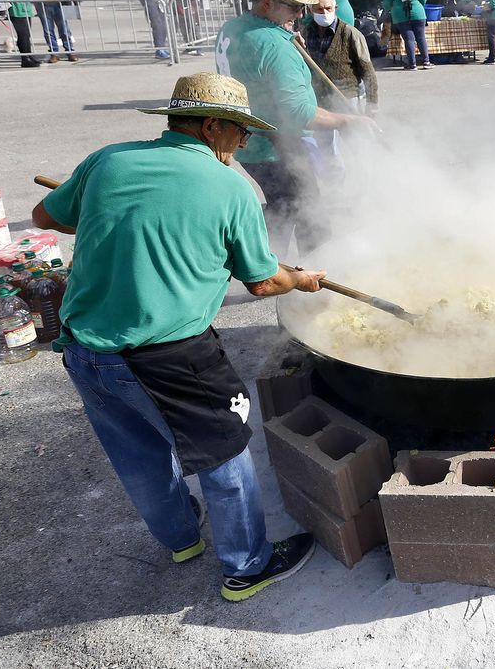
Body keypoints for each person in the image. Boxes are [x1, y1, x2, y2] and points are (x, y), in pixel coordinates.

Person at [31, 72, 325, 602]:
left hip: (84, 348)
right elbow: (263, 280)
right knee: (225, 453)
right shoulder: (230, 187)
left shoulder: (110, 160)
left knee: (138, 451)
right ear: (213, 127)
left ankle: (181, 539)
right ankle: (247, 567)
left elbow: (46, 216)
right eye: (241, 133)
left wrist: (126, 220)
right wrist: (300, 280)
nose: (244, 144)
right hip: (169, 355)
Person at [216, 0, 364, 252]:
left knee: (281, 204)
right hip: (274, 143)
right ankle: (311, 269)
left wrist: (280, 34)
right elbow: (298, 112)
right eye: (294, 7)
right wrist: (345, 120)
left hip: (244, 138)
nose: (299, 15)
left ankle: (266, 265)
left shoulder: (233, 28)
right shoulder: (274, 46)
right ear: (267, 3)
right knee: (308, 210)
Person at [301, 0, 376, 113]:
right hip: (317, 101)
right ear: (310, 11)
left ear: (335, 8)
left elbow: (368, 73)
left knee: (351, 133)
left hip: (346, 100)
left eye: (328, 8)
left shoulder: (350, 34)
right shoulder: (304, 34)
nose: (324, 13)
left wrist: (371, 107)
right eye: (319, 9)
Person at [382, 0, 430, 70]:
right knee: (421, 37)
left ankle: (412, 64)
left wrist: (392, 8)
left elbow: (386, 4)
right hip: (418, 13)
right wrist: (418, 6)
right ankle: (426, 61)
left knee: (409, 39)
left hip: (400, 15)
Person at [0, 0, 43, 68]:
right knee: (23, 35)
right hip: (16, 10)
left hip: (25, 9)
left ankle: (29, 56)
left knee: (26, 35)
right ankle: (25, 59)